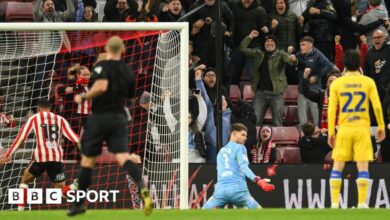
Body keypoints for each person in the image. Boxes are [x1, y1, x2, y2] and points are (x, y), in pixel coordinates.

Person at [68, 36, 152, 216]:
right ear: (122, 50)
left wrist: (83, 97)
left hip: (99, 118)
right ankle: (142, 189)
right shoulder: (129, 70)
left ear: (107, 49)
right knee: (124, 158)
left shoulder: (101, 67)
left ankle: (78, 204)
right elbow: (130, 99)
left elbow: (101, 85)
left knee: (88, 161)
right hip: (119, 118)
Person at [328, 49, 386, 208]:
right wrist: (381, 126)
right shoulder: (368, 82)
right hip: (362, 129)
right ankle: (361, 203)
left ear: (344, 64)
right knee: (362, 166)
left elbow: (332, 109)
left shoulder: (337, 83)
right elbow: (377, 107)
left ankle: (334, 204)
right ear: (360, 62)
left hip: (345, 129)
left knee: (338, 165)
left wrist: (331, 132)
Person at [0, 99, 80, 211]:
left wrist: (9, 154)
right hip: (56, 159)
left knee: (25, 181)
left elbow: (21, 138)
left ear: (38, 109)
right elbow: (76, 139)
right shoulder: (61, 119)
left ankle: (20, 212)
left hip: (40, 157)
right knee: (61, 191)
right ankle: (73, 187)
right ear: (50, 109)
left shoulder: (34, 118)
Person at [203, 123, 275, 209]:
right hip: (238, 191)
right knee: (261, 214)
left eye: (246, 135)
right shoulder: (240, 147)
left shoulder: (221, 151)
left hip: (220, 192)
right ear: (234, 134)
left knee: (201, 214)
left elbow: (219, 172)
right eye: (243, 135)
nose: (246, 138)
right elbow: (243, 167)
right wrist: (257, 180)